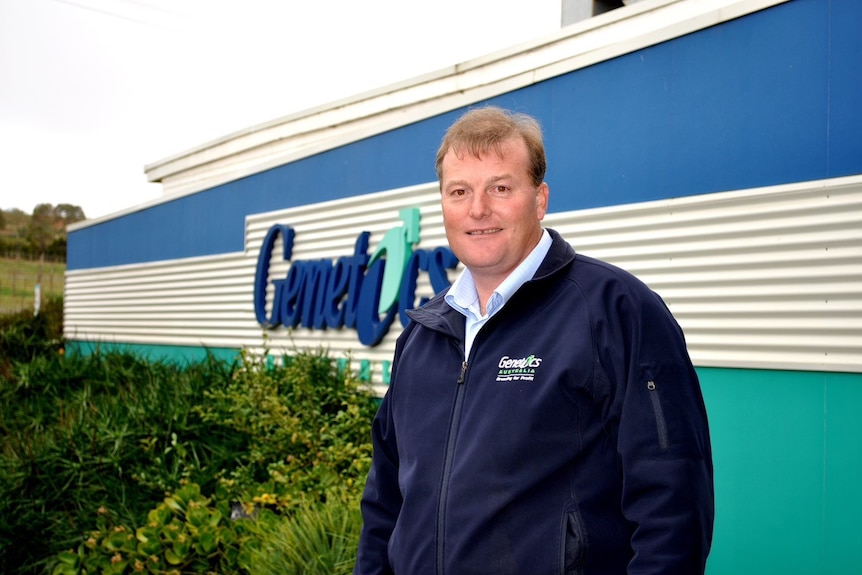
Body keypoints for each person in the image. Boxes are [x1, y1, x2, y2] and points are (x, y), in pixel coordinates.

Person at [354, 106, 714, 575]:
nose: (478, 209)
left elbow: (673, 506)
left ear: (539, 199)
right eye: (459, 191)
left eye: (500, 188)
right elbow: (385, 502)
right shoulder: (423, 334)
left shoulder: (616, 311)